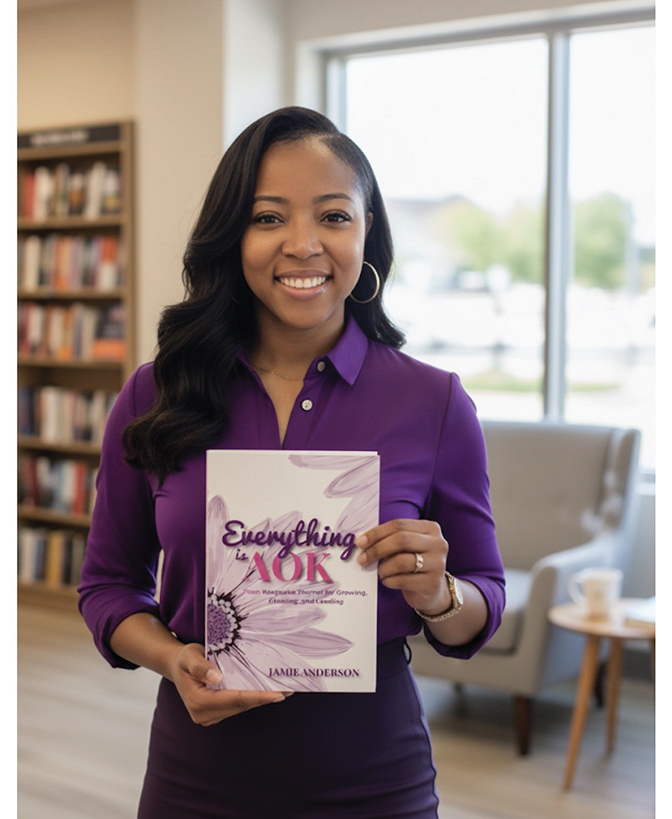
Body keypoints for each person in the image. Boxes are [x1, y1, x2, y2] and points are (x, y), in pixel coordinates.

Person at [78, 106, 506, 819]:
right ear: (231, 237)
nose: (304, 243)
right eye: (269, 217)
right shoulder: (155, 393)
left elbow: (482, 600)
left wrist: (440, 594)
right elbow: (106, 586)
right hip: (197, 778)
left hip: (376, 781)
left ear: (367, 234)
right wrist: (171, 657)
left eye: (334, 216)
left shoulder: (433, 401)